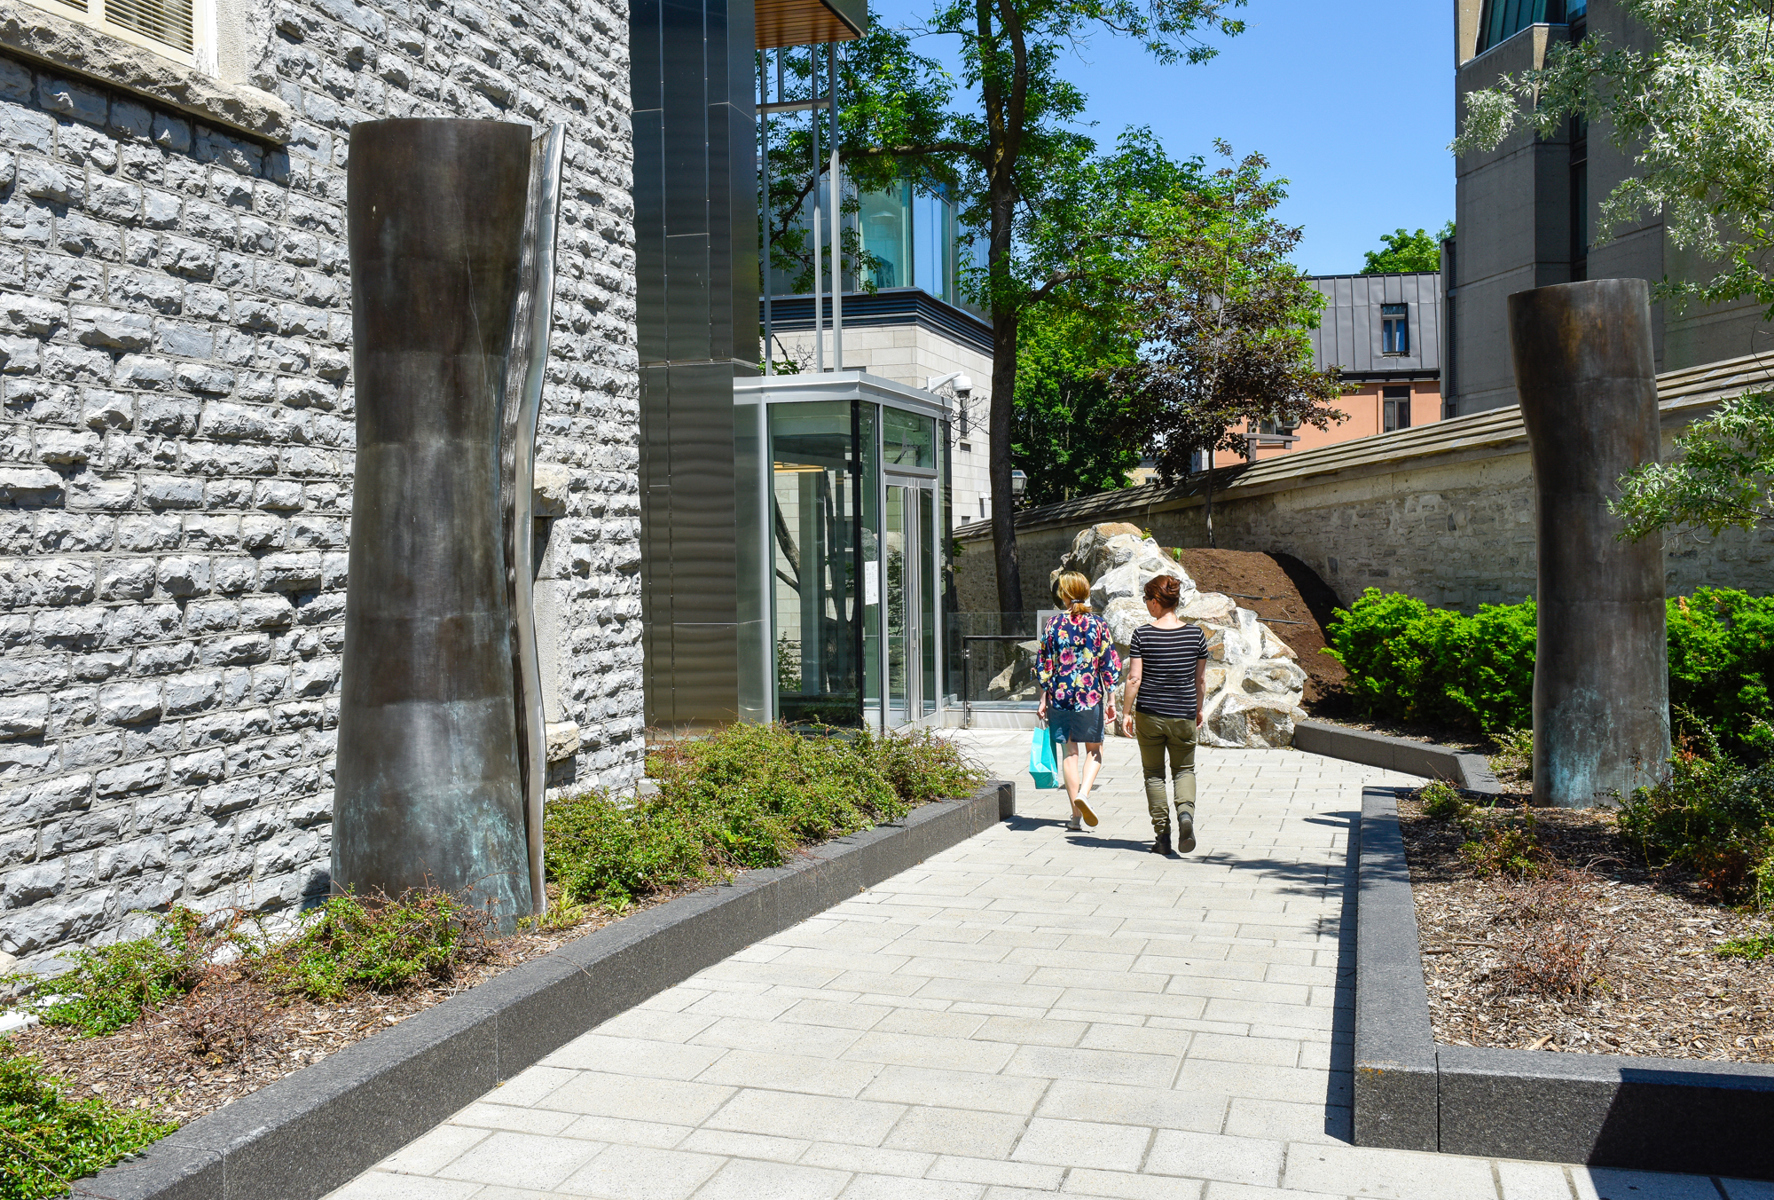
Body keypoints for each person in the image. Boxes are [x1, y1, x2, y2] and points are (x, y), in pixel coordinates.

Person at [1120, 574, 1210, 855]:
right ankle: (1186, 815)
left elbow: (1134, 679)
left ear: (1156, 601)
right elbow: (1200, 680)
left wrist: (1126, 712)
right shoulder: (1196, 634)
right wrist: (1198, 708)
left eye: (1147, 599)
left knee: (1154, 775)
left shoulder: (1142, 634)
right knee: (1184, 770)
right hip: (1184, 713)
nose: (1146, 604)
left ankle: (1163, 837)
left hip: (1150, 714)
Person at [1036, 571, 1119, 832]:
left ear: (1064, 594)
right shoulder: (1098, 624)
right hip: (1089, 696)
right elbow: (1109, 664)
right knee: (1095, 750)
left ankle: (1074, 816)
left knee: (1069, 753)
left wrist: (1043, 698)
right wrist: (1112, 699)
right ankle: (1084, 793)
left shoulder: (1053, 624)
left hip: (1060, 696)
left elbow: (1045, 664)